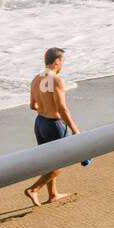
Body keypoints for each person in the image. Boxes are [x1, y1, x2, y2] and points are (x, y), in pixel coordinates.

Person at [25, 47, 80, 206]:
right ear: (56, 61)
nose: (62, 64)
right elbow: (62, 108)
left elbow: (32, 105)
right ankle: (34, 189)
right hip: (53, 125)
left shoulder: (37, 79)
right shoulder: (55, 80)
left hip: (40, 123)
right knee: (62, 161)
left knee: (49, 162)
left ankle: (53, 194)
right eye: (62, 61)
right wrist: (75, 130)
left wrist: (45, 106)